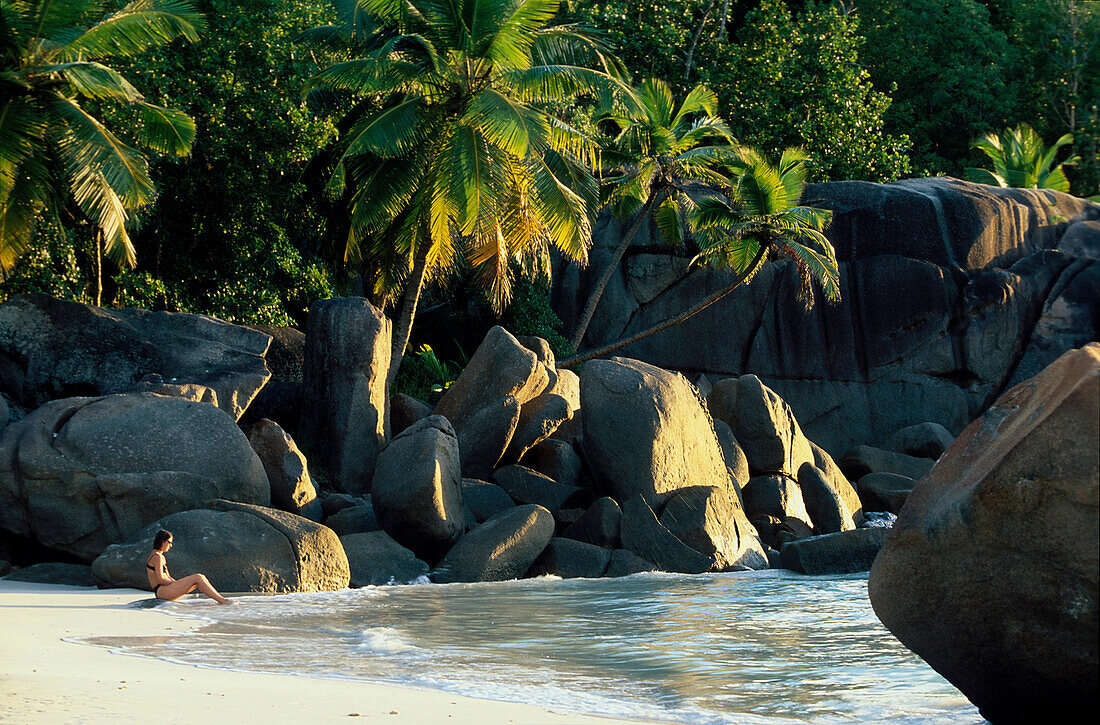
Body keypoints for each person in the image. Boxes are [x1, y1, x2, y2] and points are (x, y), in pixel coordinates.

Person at [146, 530, 234, 604]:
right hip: (162, 591)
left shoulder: (158, 556)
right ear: (162, 541)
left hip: (164, 590)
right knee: (198, 577)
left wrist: (177, 583)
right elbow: (161, 579)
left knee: (199, 580)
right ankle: (222, 600)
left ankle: (220, 600)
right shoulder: (157, 557)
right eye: (169, 542)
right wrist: (175, 584)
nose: (171, 545)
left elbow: (167, 576)